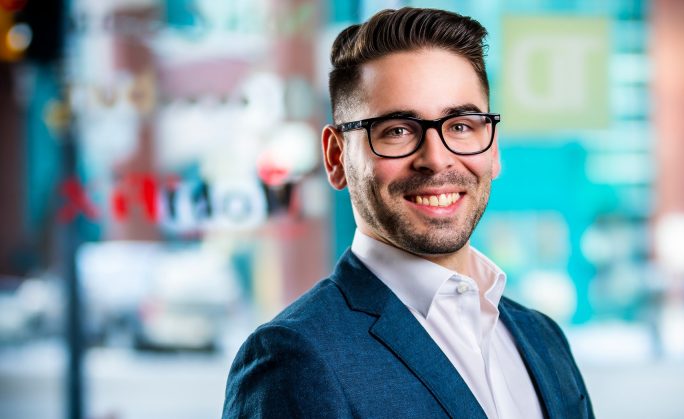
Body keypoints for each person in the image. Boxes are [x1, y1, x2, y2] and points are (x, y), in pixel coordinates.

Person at [223, 7, 594, 418]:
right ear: (335, 157)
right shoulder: (296, 357)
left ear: (493, 147)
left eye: (461, 126)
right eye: (397, 131)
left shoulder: (543, 339)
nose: (437, 160)